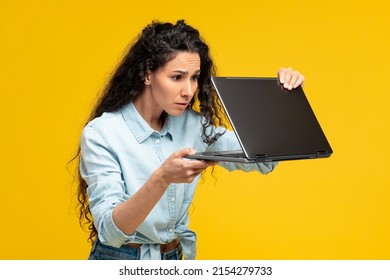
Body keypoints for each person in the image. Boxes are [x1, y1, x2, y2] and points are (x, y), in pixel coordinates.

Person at [75, 19, 304, 260]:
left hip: (174, 256)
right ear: (147, 75)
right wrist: (162, 177)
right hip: (119, 259)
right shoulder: (102, 133)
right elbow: (111, 232)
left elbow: (261, 158)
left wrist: (281, 97)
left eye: (194, 77)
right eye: (177, 77)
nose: (188, 90)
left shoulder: (193, 125)